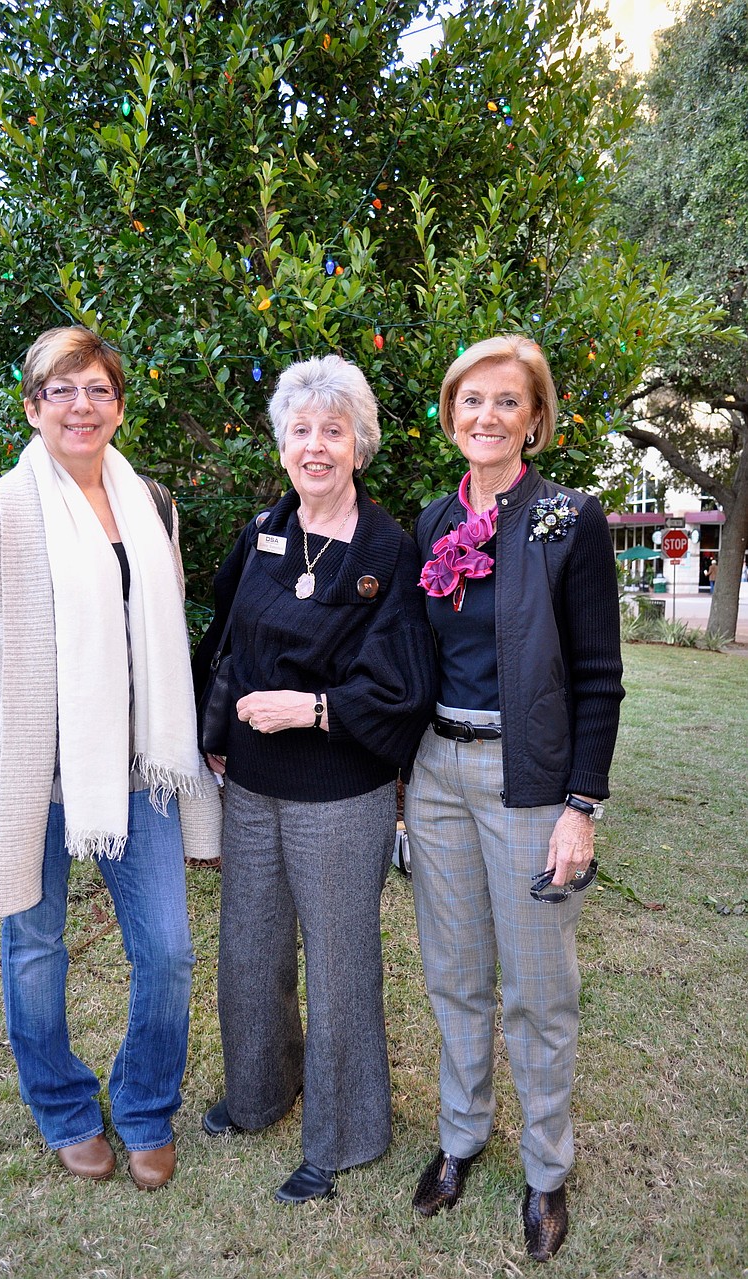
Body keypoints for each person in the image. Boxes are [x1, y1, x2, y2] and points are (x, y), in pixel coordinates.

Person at [0, 326, 203, 1190]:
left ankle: (147, 1105)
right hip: (32, 777)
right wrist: (2, 731)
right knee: (37, 949)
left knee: (167, 950)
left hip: (140, 768)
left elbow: (165, 632)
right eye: (61, 389)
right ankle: (61, 1106)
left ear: (119, 405)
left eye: (97, 389)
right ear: (32, 405)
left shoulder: (152, 505)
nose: (80, 405)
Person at [192, 354, 438, 1204]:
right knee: (250, 951)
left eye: (333, 430)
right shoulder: (264, 530)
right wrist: (216, 733)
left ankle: (345, 1132)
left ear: (359, 445)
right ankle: (261, 1093)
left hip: (341, 789)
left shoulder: (388, 548)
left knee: (339, 964)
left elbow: (404, 681)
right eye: (301, 431)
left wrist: (317, 709)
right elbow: (227, 641)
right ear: (284, 444)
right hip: (253, 787)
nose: (316, 446)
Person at [404, 335, 624, 1260]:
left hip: (530, 780)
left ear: (535, 418)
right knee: (454, 974)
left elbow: (601, 677)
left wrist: (581, 805)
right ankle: (461, 1136)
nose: (484, 417)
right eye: (469, 400)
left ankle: (544, 1170)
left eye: (506, 402)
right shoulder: (425, 523)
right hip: (436, 773)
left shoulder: (569, 520)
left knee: (537, 990)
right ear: (450, 414)